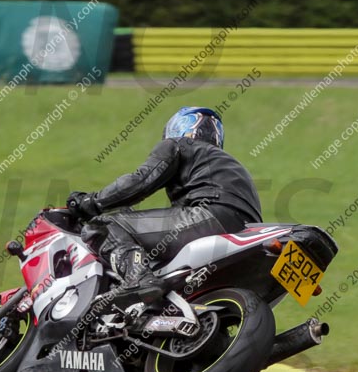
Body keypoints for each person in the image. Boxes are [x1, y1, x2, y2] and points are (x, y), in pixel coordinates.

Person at [67, 107, 262, 309]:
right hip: (246, 230)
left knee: (104, 225)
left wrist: (92, 202)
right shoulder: (230, 163)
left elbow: (140, 182)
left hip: (211, 215)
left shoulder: (178, 144)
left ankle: (139, 280)